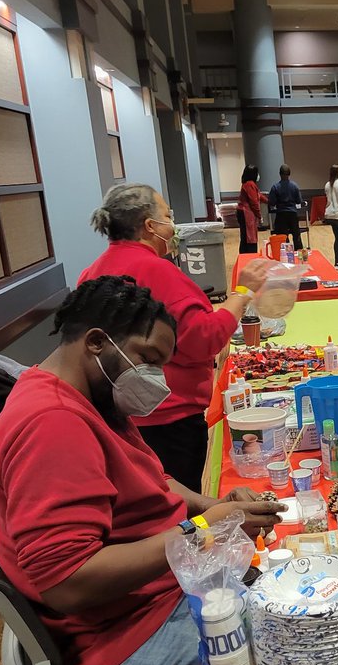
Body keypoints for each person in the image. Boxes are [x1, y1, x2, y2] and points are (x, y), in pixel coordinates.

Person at [0, 277, 282, 665]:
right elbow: (67, 582)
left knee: (296, 607)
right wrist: (200, 531)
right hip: (114, 647)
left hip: (150, 607)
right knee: (303, 660)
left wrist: (212, 506)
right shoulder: (51, 424)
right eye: (147, 359)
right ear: (95, 343)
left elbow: (153, 479)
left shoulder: (87, 398)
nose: (155, 378)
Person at [79, 184, 269, 490]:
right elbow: (204, 339)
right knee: (179, 505)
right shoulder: (156, 271)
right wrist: (242, 293)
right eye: (168, 215)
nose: (173, 224)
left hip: (118, 415)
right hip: (168, 418)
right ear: (150, 226)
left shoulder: (91, 272)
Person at [267, 164, 304, 251]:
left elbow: (272, 202)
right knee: (296, 235)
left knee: (283, 237)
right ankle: (298, 253)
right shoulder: (294, 186)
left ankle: (287, 254)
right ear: (289, 174)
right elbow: (299, 201)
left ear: (280, 174)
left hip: (281, 214)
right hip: (292, 214)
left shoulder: (275, 187)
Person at [237, 165, 268, 253]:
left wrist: (268, 201)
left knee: (246, 236)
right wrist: (259, 215)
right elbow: (254, 202)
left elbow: (258, 195)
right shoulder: (250, 184)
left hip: (244, 213)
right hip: (246, 214)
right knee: (249, 237)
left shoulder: (248, 184)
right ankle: (249, 255)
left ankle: (246, 254)